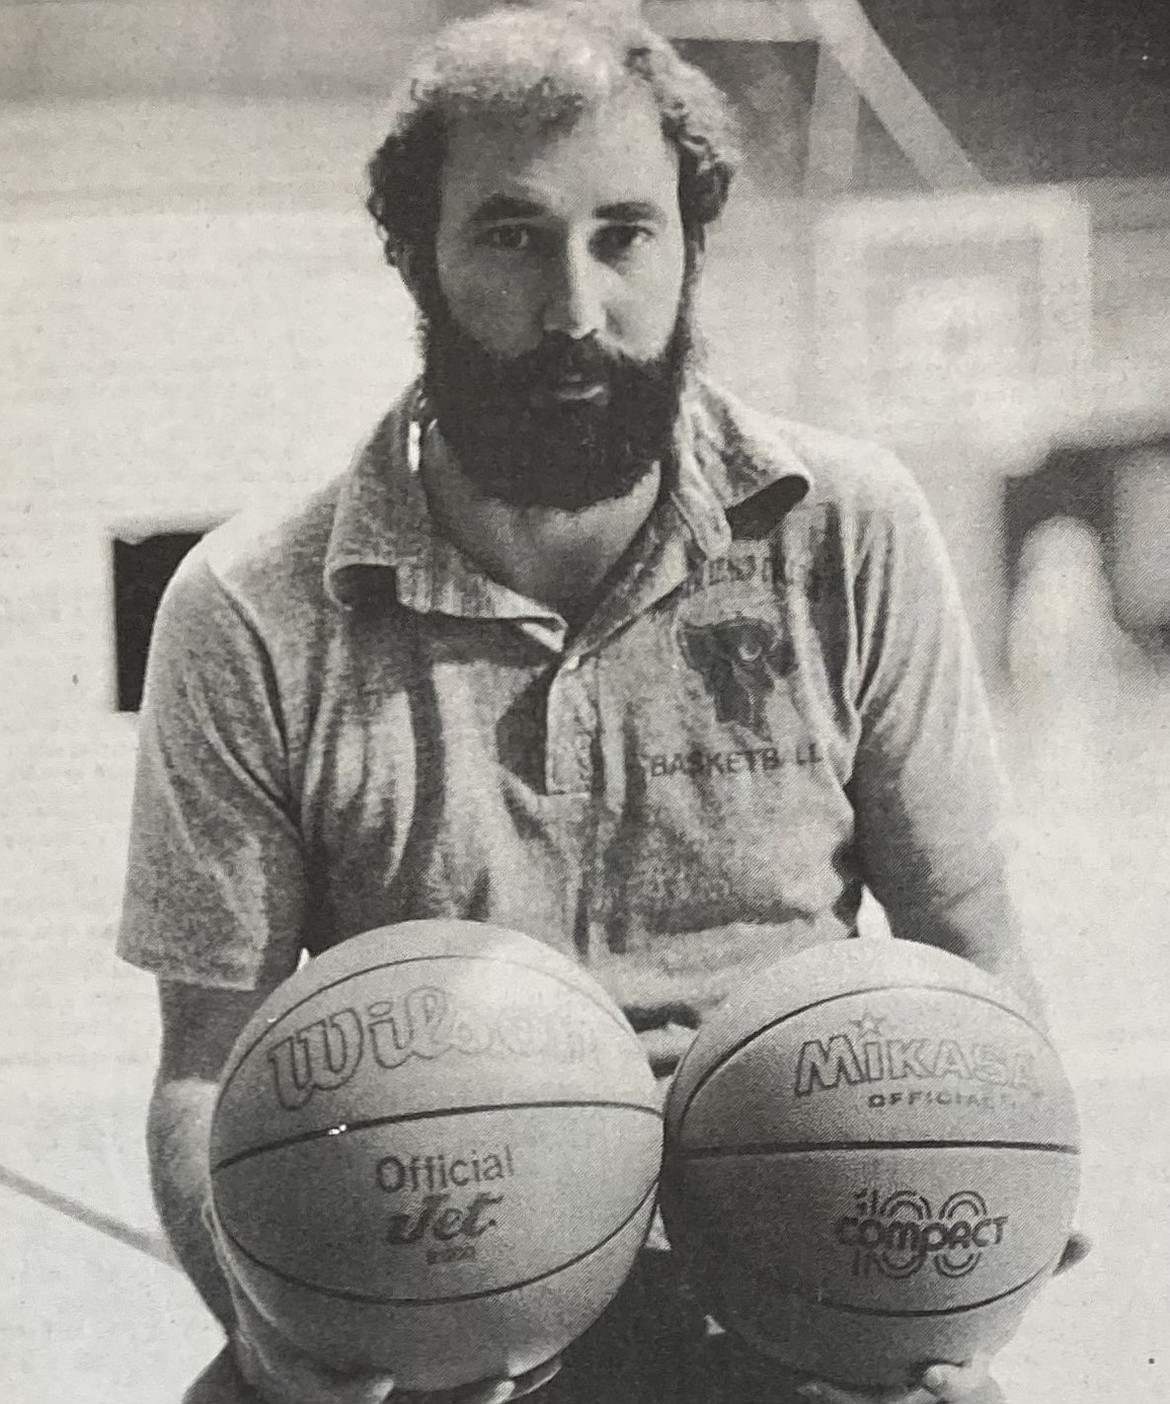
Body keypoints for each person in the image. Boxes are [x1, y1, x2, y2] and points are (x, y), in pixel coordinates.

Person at [117, 6, 1086, 1402]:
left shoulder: (848, 528)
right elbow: (203, 1062)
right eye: (510, 238)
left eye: (624, 234)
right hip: (428, 1278)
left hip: (799, 1268)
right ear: (415, 255)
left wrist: (979, 1237)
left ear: (689, 247)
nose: (575, 307)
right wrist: (272, 1330)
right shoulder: (250, 603)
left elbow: (968, 937)